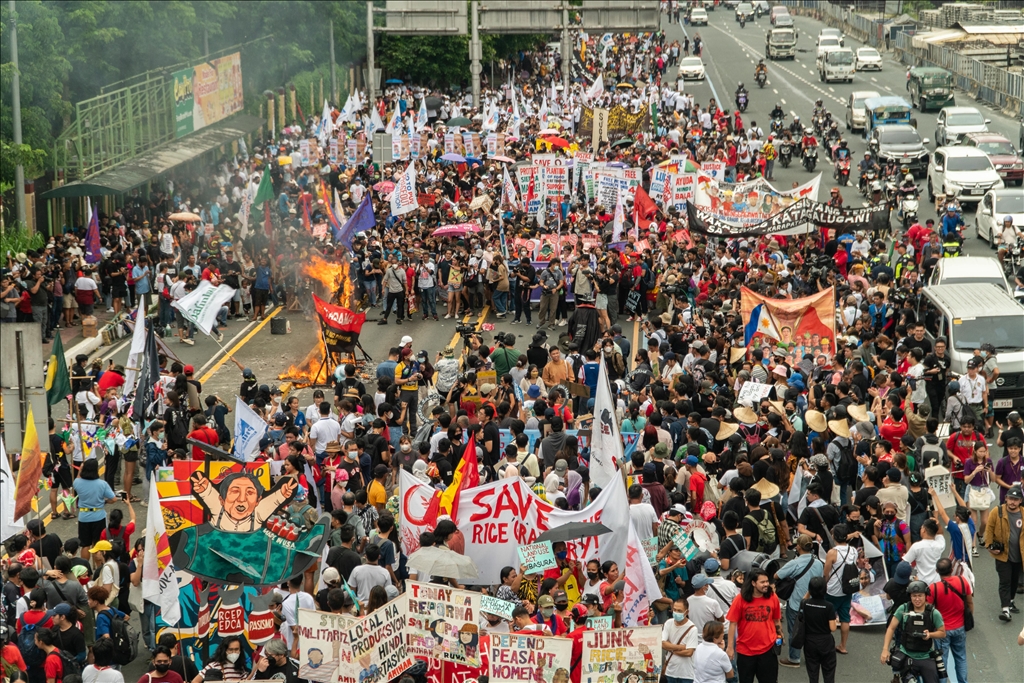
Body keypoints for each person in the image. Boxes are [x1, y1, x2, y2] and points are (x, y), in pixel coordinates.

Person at [880, 581, 946, 683]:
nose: (917, 599)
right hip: (907, 656)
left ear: (926, 596)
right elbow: (891, 628)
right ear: (910, 596)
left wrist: (930, 635)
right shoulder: (903, 609)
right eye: (914, 596)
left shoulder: (934, 613)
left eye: (920, 596)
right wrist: (885, 649)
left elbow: (942, 632)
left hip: (925, 656)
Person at [726, 568, 782, 683]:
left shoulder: (773, 597)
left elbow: (776, 620)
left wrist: (779, 635)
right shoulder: (740, 599)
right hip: (745, 651)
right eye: (762, 582)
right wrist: (730, 647)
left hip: (768, 650)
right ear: (753, 583)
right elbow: (732, 623)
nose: (766, 584)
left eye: (767, 581)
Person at [775, 534, 823, 668]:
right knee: (812, 632)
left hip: (797, 603)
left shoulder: (794, 563)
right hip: (814, 602)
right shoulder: (818, 563)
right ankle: (812, 657)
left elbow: (777, 575)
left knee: (794, 631)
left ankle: (794, 658)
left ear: (798, 547)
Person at [927, 558, 972, 683]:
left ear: (937, 571)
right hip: (960, 627)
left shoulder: (934, 588)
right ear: (952, 570)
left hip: (942, 630)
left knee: (941, 660)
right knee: (961, 657)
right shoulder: (962, 581)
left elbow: (927, 610)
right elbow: (969, 602)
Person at [983, 483, 1024, 622]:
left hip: (1019, 556)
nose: (1012, 502)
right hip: (1002, 555)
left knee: (1014, 581)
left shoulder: (1023, 514)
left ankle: (1011, 600)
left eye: (1016, 499)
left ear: (1020, 501)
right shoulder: (997, 511)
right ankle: (1005, 609)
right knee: (1005, 581)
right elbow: (989, 529)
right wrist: (989, 545)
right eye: (1010, 499)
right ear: (1006, 498)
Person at [821, 524, 856, 655]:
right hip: (847, 588)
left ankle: (825, 644)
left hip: (833, 589)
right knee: (845, 617)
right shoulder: (853, 550)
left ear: (834, 536)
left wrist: (823, 585)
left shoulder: (832, 552)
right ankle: (843, 645)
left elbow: (826, 572)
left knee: (827, 617)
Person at [662, 597, 699, 683]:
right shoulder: (668, 623)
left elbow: (689, 652)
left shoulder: (692, 628)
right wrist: (681, 647)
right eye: (674, 610)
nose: (676, 613)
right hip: (670, 672)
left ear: (687, 612)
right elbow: (663, 644)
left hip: (686, 675)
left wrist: (670, 649)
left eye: (679, 611)